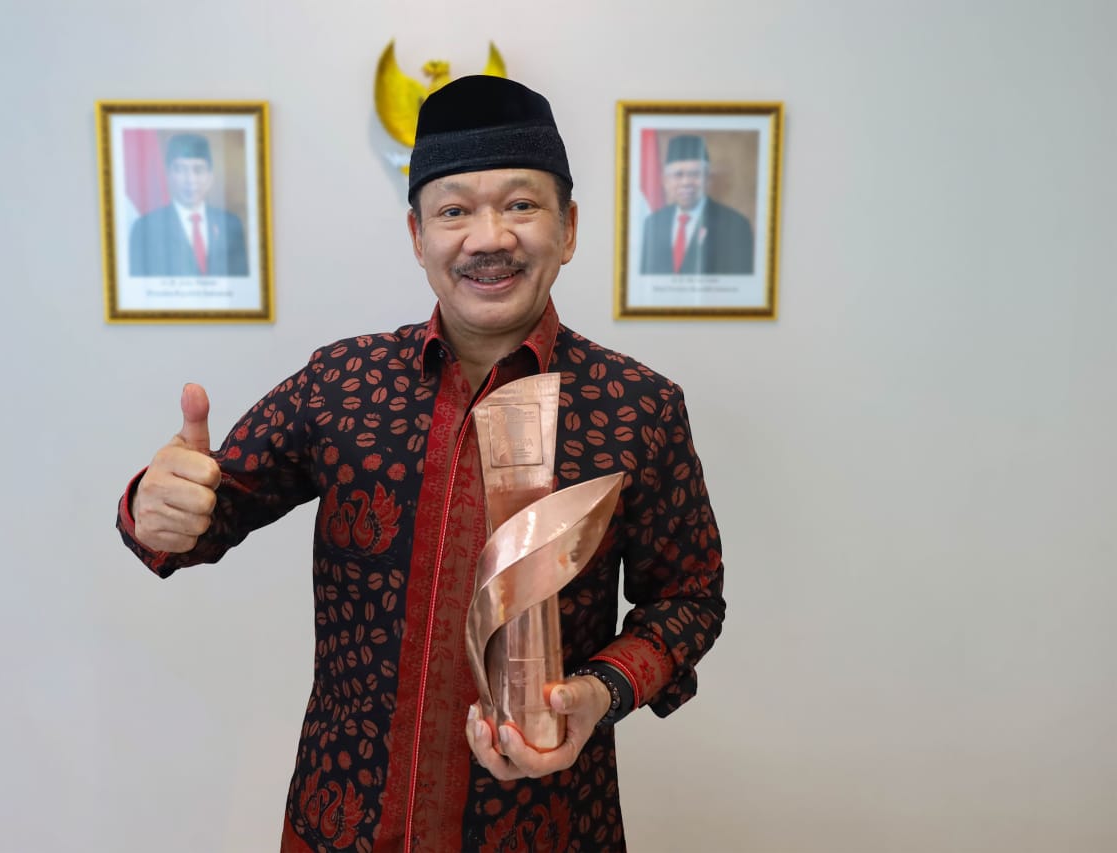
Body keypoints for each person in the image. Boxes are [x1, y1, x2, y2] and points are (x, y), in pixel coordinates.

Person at [117, 76, 725, 851]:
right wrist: (157, 505)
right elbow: (207, 509)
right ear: (417, 236)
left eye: (521, 204)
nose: (488, 237)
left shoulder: (638, 406)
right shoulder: (341, 383)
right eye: (454, 211)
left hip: (546, 825)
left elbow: (689, 598)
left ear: (569, 228)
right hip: (344, 821)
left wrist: (601, 690)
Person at [128, 133, 249, 277]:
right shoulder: (145, 228)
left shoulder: (231, 225)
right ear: (168, 175)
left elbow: (241, 281)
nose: (190, 180)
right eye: (180, 170)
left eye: (198, 170)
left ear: (210, 177)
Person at [639, 134, 755, 275]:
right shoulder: (653, 223)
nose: (686, 182)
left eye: (695, 174)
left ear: (707, 179)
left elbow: (740, 282)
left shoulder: (735, 225)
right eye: (678, 175)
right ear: (666, 181)